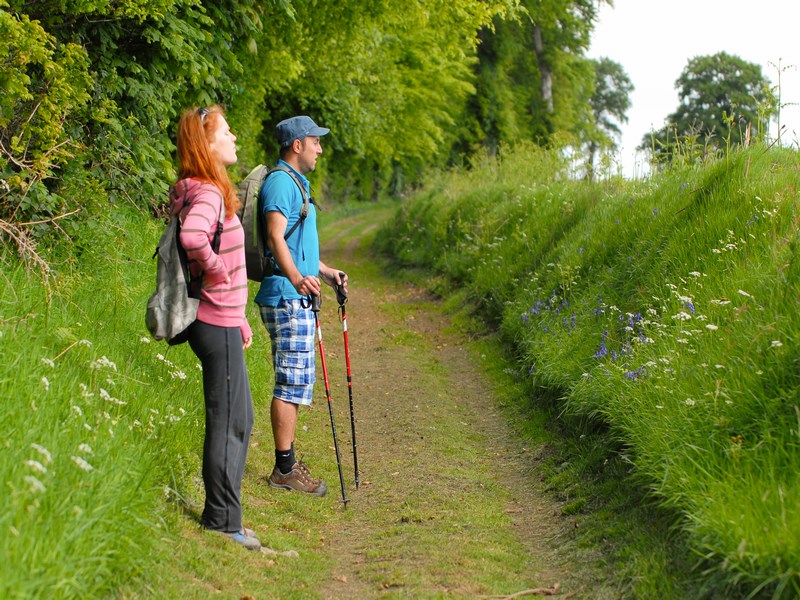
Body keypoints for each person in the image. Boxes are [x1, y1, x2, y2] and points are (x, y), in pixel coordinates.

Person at [172, 105, 260, 550]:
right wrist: (217, 275)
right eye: (226, 131)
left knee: (239, 417)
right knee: (227, 423)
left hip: (225, 320)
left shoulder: (205, 188)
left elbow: (224, 251)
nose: (234, 136)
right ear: (207, 145)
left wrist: (240, 314)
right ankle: (223, 522)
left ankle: (227, 515)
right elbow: (193, 239)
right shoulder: (207, 192)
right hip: (213, 322)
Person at [255, 115, 348, 497]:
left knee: (296, 379)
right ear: (297, 145)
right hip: (287, 296)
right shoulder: (280, 183)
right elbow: (276, 237)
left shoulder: (296, 184)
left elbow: (295, 243)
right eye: (315, 142)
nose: (320, 149)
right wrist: (297, 279)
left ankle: (287, 464)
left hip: (297, 293)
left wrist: (322, 271)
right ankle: (284, 469)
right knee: (290, 381)